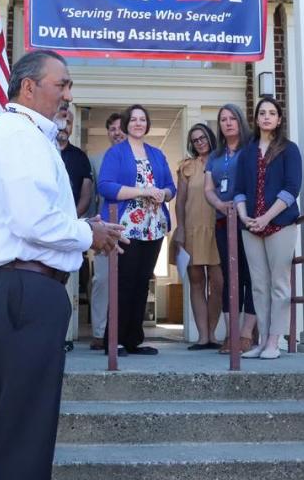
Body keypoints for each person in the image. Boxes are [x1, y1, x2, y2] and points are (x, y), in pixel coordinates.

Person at [0, 50, 124, 480]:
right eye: (63, 84)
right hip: (21, 292)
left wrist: (82, 231)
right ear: (29, 87)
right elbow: (33, 220)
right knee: (22, 429)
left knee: (23, 427)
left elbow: (39, 218)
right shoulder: (17, 135)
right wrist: (86, 233)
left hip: (27, 289)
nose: (68, 94)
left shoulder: (29, 136)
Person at [98, 104, 176, 355]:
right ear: (126, 124)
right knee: (124, 281)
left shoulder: (156, 154)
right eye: (134, 119)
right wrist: (143, 191)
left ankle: (134, 339)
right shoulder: (116, 153)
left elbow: (170, 188)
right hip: (126, 226)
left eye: (143, 119)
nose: (139, 123)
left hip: (153, 227)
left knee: (143, 282)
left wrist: (162, 194)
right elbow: (107, 186)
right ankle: (115, 339)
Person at [233, 97, 301, 360]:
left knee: (279, 284)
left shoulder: (289, 149)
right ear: (256, 118)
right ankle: (261, 341)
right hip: (250, 226)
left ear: (279, 119)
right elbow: (238, 190)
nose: (266, 117)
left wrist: (266, 217)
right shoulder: (246, 152)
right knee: (259, 286)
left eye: (272, 113)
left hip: (280, 225)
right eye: (262, 113)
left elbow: (292, 189)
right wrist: (245, 217)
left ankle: (275, 341)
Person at [204, 103, 257, 355]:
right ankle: (231, 334)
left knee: (249, 277)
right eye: (223, 119)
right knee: (229, 278)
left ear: (240, 121)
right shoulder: (215, 156)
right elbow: (208, 189)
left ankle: (247, 334)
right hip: (224, 222)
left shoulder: (252, 149)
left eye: (232, 118)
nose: (227, 123)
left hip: (248, 222)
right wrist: (220, 205)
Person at [173, 123, 223, 350]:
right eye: (195, 140)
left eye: (203, 137)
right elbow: (180, 202)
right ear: (191, 144)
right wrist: (180, 229)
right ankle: (203, 336)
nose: (200, 142)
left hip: (217, 228)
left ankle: (213, 333)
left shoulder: (222, 161)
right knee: (196, 282)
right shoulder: (186, 167)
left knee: (219, 283)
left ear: (210, 138)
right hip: (192, 229)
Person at [55, 106, 93, 349]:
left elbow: (86, 194)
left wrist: (70, 218)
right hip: (43, 229)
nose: (64, 126)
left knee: (64, 286)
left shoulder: (79, 157)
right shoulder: (42, 149)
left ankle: (63, 338)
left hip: (70, 227)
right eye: (61, 121)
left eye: (68, 122)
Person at [88, 112, 125, 350]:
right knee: (102, 279)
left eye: (121, 127)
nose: (117, 132)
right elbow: (92, 197)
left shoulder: (138, 157)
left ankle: (122, 332)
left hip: (133, 227)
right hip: (105, 228)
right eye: (112, 128)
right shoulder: (97, 160)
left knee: (127, 281)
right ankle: (100, 333)